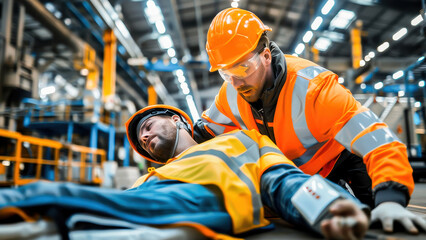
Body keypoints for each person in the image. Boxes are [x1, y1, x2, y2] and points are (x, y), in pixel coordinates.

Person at [193, 7, 424, 234]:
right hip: (301, 179)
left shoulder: (313, 89)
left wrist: (390, 200)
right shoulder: (231, 93)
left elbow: (377, 140)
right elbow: (201, 135)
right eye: (225, 73)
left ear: (265, 56)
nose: (235, 82)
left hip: (344, 160)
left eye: (242, 68)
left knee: (382, 225)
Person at [0, 105, 369, 240]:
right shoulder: (147, 176)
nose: (143, 137)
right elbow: (126, 200)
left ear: (177, 120)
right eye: (140, 139)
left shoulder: (238, 142)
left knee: (51, 197)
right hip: (149, 203)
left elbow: (281, 181)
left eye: (148, 125)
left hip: (198, 202)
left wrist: (326, 207)